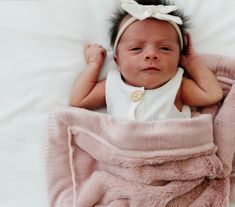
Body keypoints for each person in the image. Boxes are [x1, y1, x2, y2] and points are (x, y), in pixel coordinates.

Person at [70, 0, 223, 121]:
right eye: (136, 48)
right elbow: (79, 100)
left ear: (178, 58)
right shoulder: (112, 84)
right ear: (117, 60)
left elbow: (212, 94)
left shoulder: (177, 86)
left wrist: (192, 62)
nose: (151, 55)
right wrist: (94, 64)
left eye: (165, 49)